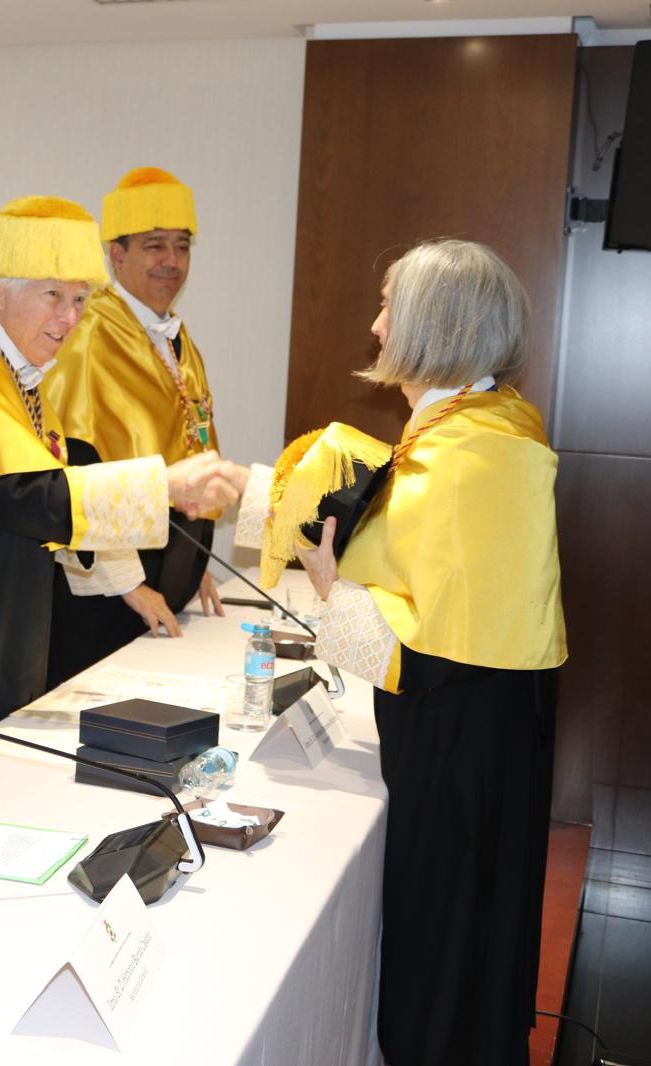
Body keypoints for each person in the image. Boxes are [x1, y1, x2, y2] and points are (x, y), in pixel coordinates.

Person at [239, 239, 566, 1066]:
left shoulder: (478, 454)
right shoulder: (466, 429)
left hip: (464, 738)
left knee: (446, 941)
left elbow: (428, 648)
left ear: (432, 323)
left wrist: (326, 587)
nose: (376, 325)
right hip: (468, 726)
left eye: (389, 305)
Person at [0, 195, 240, 728]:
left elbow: (56, 481)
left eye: (80, 299)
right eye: (53, 295)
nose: (70, 318)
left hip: (9, 613)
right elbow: (27, 495)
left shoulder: (17, 364)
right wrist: (163, 486)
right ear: (2, 289)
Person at [42, 167, 221, 687]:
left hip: (166, 570)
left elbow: (188, 436)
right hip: (110, 588)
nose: (172, 261)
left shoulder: (173, 337)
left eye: (182, 247)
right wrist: (126, 583)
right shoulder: (89, 332)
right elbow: (74, 465)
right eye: (154, 246)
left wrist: (194, 565)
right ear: (116, 255)